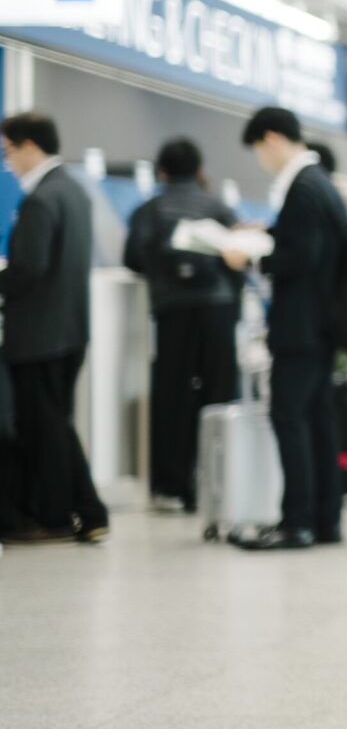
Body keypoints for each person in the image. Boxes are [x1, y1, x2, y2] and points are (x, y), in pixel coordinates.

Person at [225, 107, 347, 550]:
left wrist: (254, 256)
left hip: (301, 326)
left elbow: (303, 256)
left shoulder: (302, 187)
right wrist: (270, 233)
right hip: (321, 325)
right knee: (317, 421)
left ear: (274, 139)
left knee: (290, 418)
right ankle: (324, 520)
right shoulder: (320, 184)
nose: (262, 158)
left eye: (260, 149)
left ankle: (296, 521)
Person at [0, 113, 110, 545]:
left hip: (38, 336)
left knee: (45, 429)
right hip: (68, 332)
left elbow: (29, 268)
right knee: (54, 426)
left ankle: (76, 512)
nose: (8, 162)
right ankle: (72, 511)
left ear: (29, 147)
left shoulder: (41, 200)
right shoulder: (75, 193)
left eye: (8, 152)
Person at [122, 138, 242, 512]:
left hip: (172, 311)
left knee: (172, 395)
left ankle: (172, 485)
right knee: (220, 394)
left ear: (162, 171)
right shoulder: (220, 208)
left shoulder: (149, 211)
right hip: (218, 311)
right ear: (200, 168)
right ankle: (220, 482)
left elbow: (133, 259)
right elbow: (238, 261)